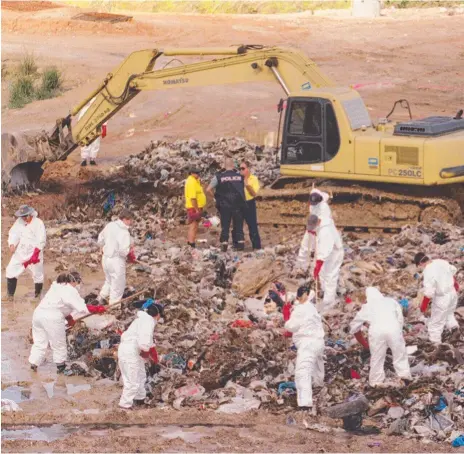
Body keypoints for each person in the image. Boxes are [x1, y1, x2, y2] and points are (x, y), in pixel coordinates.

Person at [28, 272, 106, 373]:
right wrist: (97, 309)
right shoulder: (70, 290)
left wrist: (68, 317)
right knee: (59, 344)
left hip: (38, 314)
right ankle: (61, 369)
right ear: (73, 281)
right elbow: (82, 308)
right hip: (52, 318)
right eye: (77, 282)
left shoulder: (56, 286)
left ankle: (33, 364)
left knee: (39, 342)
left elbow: (58, 304)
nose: (77, 285)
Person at [350, 287, 412, 386]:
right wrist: (398, 332)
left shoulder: (367, 306)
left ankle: (376, 382)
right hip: (394, 328)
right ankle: (405, 376)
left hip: (376, 331)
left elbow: (354, 327)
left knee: (377, 358)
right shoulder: (391, 301)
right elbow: (400, 318)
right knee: (400, 354)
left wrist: (365, 344)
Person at [284, 284, 325, 411]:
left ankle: (305, 403)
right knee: (317, 369)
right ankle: (319, 392)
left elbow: (291, 327)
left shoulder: (300, 309)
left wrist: (286, 316)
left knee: (302, 372)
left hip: (308, 343)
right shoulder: (312, 308)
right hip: (319, 342)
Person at [118, 300, 164, 409]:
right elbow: (144, 342)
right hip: (131, 351)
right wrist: (146, 354)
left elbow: (150, 343)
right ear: (157, 315)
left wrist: (155, 359)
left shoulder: (142, 320)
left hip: (131, 351)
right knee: (132, 381)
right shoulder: (148, 321)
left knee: (141, 376)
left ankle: (140, 399)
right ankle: (124, 407)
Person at [414, 252, 459, 344]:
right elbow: (453, 271)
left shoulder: (428, 271)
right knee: (449, 314)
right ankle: (454, 329)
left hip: (442, 298)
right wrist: (456, 285)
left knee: (435, 323)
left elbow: (429, 293)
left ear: (420, 263)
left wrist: (423, 307)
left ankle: (436, 345)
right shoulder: (440, 261)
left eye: (419, 266)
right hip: (452, 293)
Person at [6, 205, 46, 300]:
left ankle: (37, 295)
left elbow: (42, 239)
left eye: (25, 216)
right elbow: (14, 233)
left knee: (37, 274)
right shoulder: (19, 222)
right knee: (10, 270)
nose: (24, 218)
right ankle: (10, 296)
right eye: (22, 216)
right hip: (21, 252)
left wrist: (36, 253)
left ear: (30, 214)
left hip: (34, 252)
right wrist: (12, 244)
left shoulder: (38, 223)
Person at [306, 214, 344, 313]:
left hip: (334, 253)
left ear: (318, 222)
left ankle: (329, 303)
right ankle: (323, 294)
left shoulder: (325, 231)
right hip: (328, 253)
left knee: (330, 276)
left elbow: (325, 250)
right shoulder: (322, 226)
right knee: (323, 275)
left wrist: (317, 266)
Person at [207, 158, 246, 252]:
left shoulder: (219, 177)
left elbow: (208, 189)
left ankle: (224, 244)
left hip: (225, 205)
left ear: (224, 166)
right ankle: (240, 244)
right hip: (238, 204)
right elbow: (245, 188)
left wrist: (216, 197)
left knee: (225, 225)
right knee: (238, 225)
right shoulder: (240, 177)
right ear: (233, 166)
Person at [97, 209, 135, 305]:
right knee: (117, 285)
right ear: (126, 219)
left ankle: (100, 298)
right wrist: (129, 250)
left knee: (109, 280)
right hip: (116, 260)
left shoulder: (110, 225)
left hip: (105, 258)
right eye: (130, 220)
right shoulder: (124, 232)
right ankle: (113, 307)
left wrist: (105, 247)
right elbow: (123, 251)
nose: (131, 222)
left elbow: (100, 240)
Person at [295, 188, 333, 273]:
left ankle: (315, 271)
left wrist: (314, 229)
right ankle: (301, 267)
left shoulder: (324, 208)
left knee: (318, 250)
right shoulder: (313, 198)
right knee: (305, 246)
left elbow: (321, 222)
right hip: (312, 224)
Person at [78, 97, 107, 166]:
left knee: (95, 144)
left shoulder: (100, 110)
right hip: (86, 130)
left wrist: (104, 129)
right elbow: (80, 120)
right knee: (85, 144)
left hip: (96, 129)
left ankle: (92, 159)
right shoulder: (85, 110)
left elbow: (104, 119)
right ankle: (84, 160)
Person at [239, 160, 262, 250]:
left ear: (248, 169)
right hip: (239, 203)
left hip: (249, 203)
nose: (241, 170)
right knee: (238, 226)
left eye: (243, 168)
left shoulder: (254, 179)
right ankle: (239, 246)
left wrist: (247, 185)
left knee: (252, 225)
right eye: (240, 168)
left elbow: (254, 193)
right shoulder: (238, 179)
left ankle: (256, 246)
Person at [184, 166, 207, 248]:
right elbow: (193, 198)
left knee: (195, 225)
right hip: (193, 207)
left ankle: (191, 242)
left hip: (197, 207)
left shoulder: (195, 181)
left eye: (198, 172)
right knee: (193, 225)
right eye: (196, 173)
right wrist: (197, 210)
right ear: (191, 173)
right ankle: (191, 244)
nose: (198, 174)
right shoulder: (191, 182)